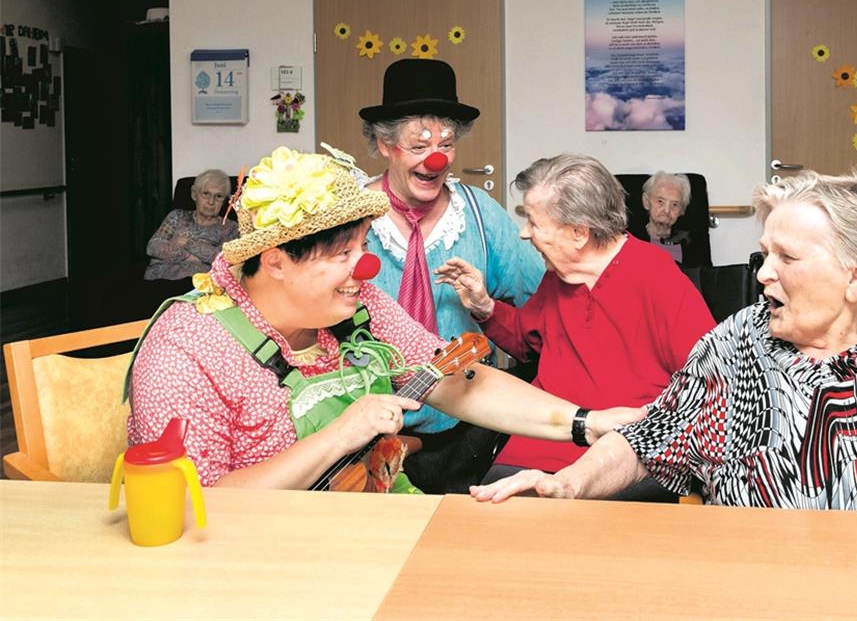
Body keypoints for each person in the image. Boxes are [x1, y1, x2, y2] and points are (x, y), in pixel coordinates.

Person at [469, 167, 857, 520]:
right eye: (764, 254)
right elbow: (648, 442)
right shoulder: (738, 344)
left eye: (787, 258)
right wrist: (568, 483)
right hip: (752, 577)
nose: (761, 274)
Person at [126, 146, 636, 490]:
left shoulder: (357, 305)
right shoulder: (188, 349)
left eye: (363, 246)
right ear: (277, 259)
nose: (365, 268)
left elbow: (456, 380)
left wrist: (583, 422)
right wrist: (341, 435)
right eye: (342, 253)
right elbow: (194, 505)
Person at [435, 153, 717, 502]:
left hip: (620, 458)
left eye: (534, 222)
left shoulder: (656, 276)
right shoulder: (560, 278)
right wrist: (484, 308)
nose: (524, 234)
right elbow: (525, 343)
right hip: (539, 440)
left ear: (579, 233)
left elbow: (709, 384)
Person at [358, 58, 544, 491]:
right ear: (386, 145)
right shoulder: (350, 219)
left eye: (446, 143)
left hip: (464, 429)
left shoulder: (479, 215)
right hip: (364, 436)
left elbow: (541, 304)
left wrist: (486, 308)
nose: (436, 158)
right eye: (419, 145)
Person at [144, 168, 238, 281]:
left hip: (196, 287)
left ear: (225, 201)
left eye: (218, 196)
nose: (211, 202)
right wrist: (191, 257)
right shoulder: (177, 216)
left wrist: (187, 243)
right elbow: (154, 246)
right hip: (158, 279)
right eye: (205, 193)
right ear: (194, 194)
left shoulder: (230, 228)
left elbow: (222, 259)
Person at [638, 171, 692, 264]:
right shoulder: (630, 240)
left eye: (674, 205)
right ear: (646, 202)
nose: (667, 210)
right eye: (660, 201)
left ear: (682, 210)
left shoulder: (690, 243)